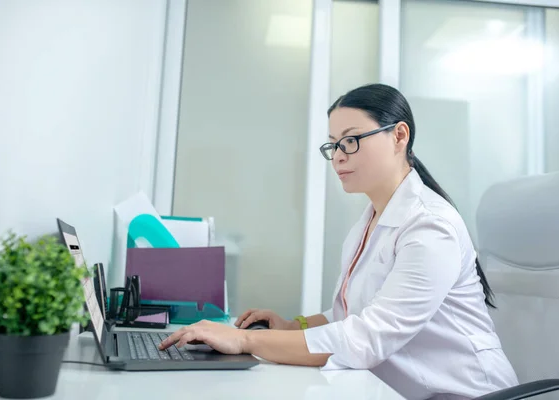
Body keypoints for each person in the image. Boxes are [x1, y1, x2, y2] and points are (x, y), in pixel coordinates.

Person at [159, 84, 519, 399]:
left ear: (399, 136)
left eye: (351, 140)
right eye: (333, 145)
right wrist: (291, 326)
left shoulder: (430, 227)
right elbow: (352, 315)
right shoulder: (370, 220)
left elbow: (367, 338)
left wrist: (243, 341)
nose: (339, 156)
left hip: (466, 393)